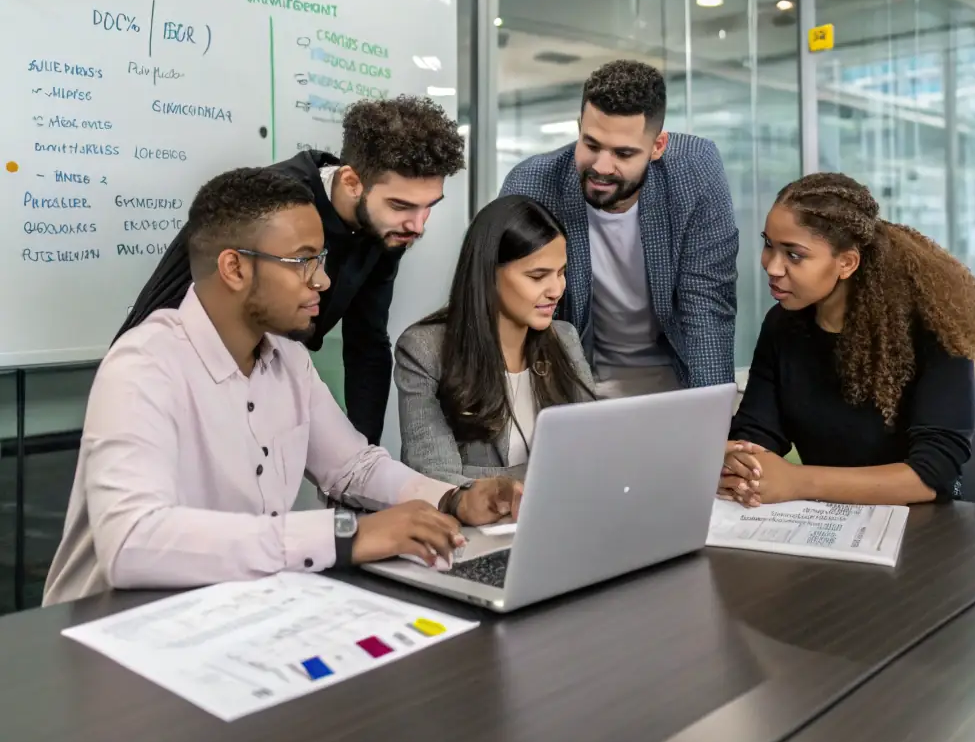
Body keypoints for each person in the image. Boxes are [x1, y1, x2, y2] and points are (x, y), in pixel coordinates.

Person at [43, 168, 520, 606]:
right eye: (303, 262)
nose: (324, 280)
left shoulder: (287, 357)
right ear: (235, 269)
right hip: (111, 632)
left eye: (322, 259)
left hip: (231, 612)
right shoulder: (144, 364)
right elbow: (132, 541)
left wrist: (453, 500)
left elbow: (353, 467)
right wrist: (344, 534)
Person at [113, 95, 465, 444]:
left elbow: (367, 343)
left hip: (261, 381)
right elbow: (180, 306)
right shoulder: (273, 205)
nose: (418, 226)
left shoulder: (384, 228)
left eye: (428, 207)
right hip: (177, 385)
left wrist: (363, 454)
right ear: (351, 182)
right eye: (401, 205)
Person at [723, 172, 975, 508]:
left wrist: (797, 481)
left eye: (794, 254)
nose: (772, 266)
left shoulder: (931, 330)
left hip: (924, 531)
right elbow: (757, 432)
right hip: (823, 520)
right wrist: (739, 457)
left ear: (847, 262)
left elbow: (932, 474)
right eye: (769, 244)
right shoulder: (783, 324)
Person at [500, 59, 737, 397]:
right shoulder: (533, 184)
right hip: (570, 376)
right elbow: (506, 306)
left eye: (623, 153)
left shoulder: (694, 169)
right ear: (579, 126)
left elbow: (707, 300)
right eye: (591, 144)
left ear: (658, 146)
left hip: (674, 375)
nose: (601, 167)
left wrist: (712, 414)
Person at [393, 196, 596, 482]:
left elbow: (595, 451)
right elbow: (436, 479)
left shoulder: (564, 338)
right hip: (471, 526)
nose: (556, 290)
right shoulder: (424, 350)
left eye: (561, 273)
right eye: (538, 276)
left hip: (562, 515)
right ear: (488, 274)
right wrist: (541, 478)